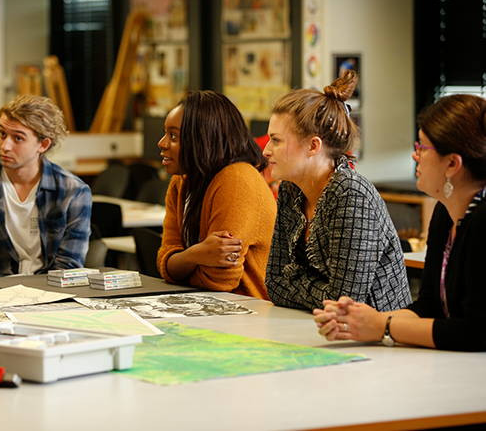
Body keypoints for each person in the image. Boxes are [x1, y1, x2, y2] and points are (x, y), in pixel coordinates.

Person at [314, 94, 486, 351]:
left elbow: (476, 332)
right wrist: (363, 321)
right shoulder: (444, 212)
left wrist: (383, 327)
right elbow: (429, 307)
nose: (416, 156)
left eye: (422, 148)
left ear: (452, 164)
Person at [263, 70, 412, 311]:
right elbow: (274, 283)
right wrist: (317, 287)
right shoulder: (290, 189)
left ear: (313, 146)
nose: (266, 150)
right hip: (315, 326)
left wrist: (295, 278)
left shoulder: (350, 194)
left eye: (276, 140)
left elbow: (345, 301)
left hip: (379, 339)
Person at [0, 95, 92, 280]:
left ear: (42, 145)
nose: (5, 146)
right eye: (2, 134)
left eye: (18, 138)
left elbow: (68, 265)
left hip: (50, 293)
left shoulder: (74, 192)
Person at [156, 90, 277, 299]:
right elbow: (166, 261)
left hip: (250, 314)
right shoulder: (181, 182)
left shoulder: (238, 180)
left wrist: (184, 263)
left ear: (203, 140)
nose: (162, 143)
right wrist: (196, 254)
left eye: (173, 135)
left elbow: (220, 280)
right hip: (211, 307)